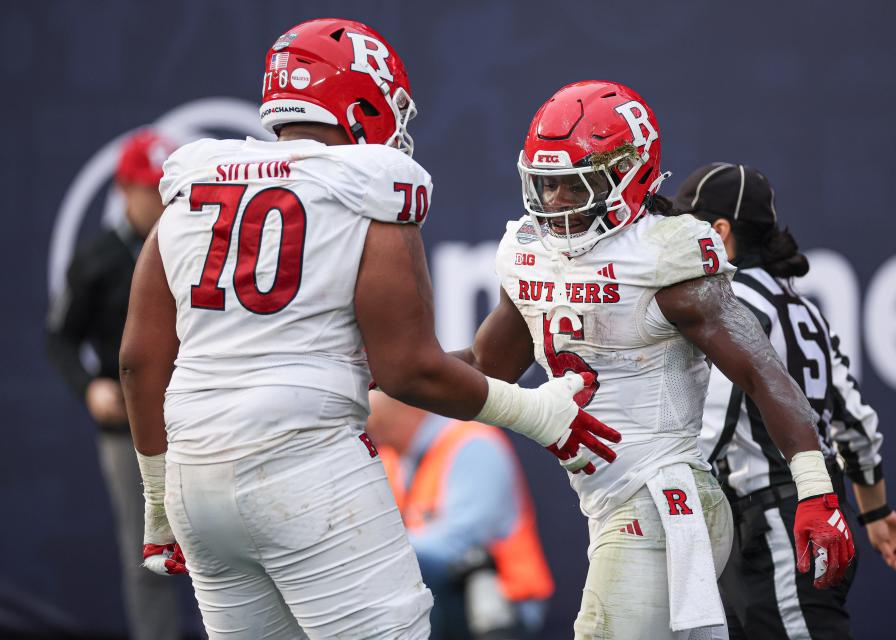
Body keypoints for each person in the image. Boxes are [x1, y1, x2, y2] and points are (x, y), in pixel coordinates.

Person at [117, 19, 619, 640]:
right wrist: (541, 414)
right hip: (306, 466)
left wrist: (158, 497)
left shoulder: (191, 189)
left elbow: (139, 361)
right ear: (359, 99)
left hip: (196, 477)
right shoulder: (372, 186)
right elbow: (407, 369)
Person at [450, 80, 857, 639]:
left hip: (665, 499)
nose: (556, 203)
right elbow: (483, 365)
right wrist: (372, 368)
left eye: (577, 186)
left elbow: (762, 372)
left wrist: (816, 488)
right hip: (612, 503)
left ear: (630, 175)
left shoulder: (663, 255)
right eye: (548, 185)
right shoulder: (528, 253)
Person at [676, 162, 896, 640]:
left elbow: (710, 430)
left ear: (719, 232)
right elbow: (856, 423)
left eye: (685, 227)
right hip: (803, 513)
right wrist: (873, 511)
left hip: (774, 525)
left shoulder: (728, 302)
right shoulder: (802, 306)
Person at [45, 130, 183, 640]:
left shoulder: (196, 247)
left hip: (199, 420)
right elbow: (59, 337)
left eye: (168, 187)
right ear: (124, 188)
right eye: (151, 188)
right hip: (128, 429)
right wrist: (88, 387)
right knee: (148, 553)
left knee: (229, 546)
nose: (160, 200)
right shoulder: (98, 259)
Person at [367, 390, 554, 639]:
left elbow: (460, 545)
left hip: (500, 607)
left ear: (407, 405)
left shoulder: (472, 443)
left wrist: (373, 552)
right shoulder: (391, 457)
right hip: (443, 599)